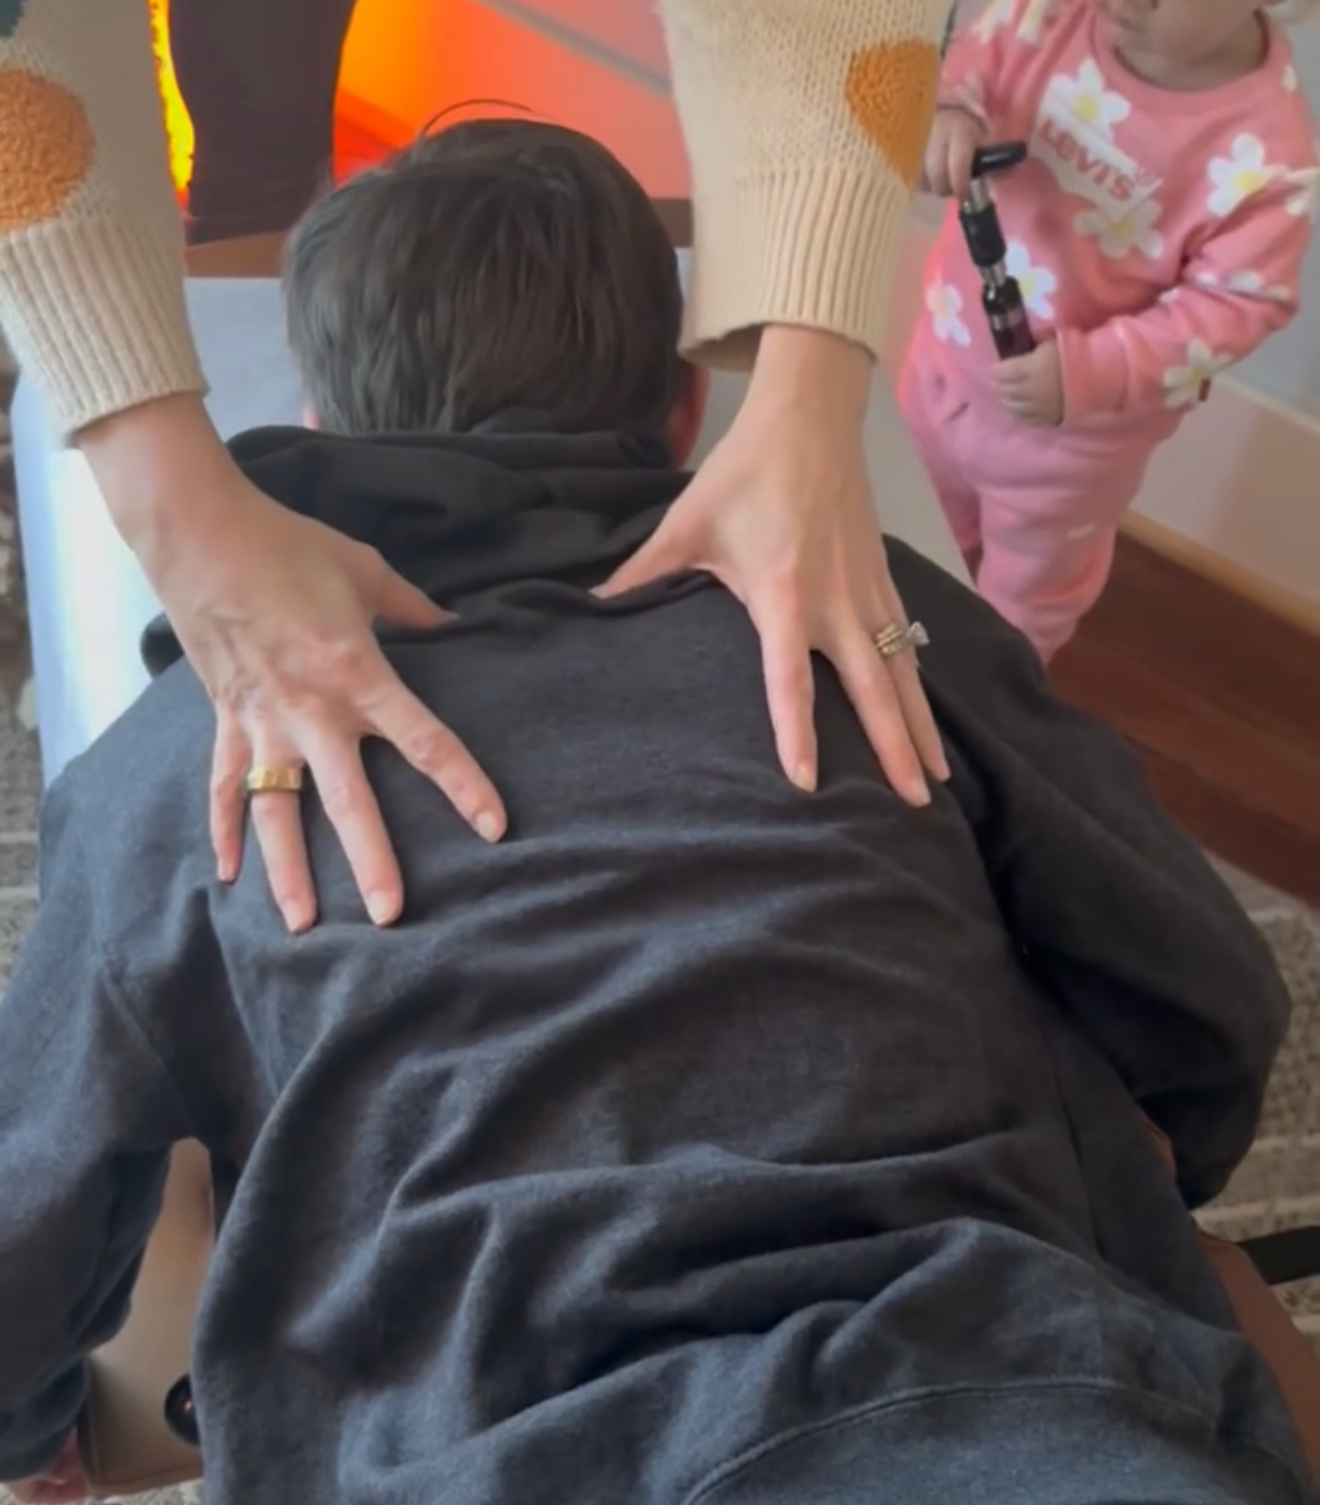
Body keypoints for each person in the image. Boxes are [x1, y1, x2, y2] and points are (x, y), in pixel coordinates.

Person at [0, 119, 1316, 1505]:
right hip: (1008, 1404)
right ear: (684, 410)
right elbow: (1205, 983)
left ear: (324, 423)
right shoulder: (870, 614)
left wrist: (33, 1434)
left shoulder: (200, 743)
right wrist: (1173, 1148)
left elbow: (32, 1187)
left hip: (473, 1445)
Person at [0, 0, 971, 919]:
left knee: (264, 153)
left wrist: (809, 389)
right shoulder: (957, 687)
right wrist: (158, 492)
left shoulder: (144, 793)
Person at [899, 0, 1319, 661]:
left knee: (1016, 615)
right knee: (900, 534)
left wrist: (1089, 375)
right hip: (942, 364)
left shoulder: (1265, 155)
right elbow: (969, 71)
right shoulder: (1050, 4)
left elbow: (1231, 311)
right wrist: (951, 114)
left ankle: (983, 732)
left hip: (1065, 445)